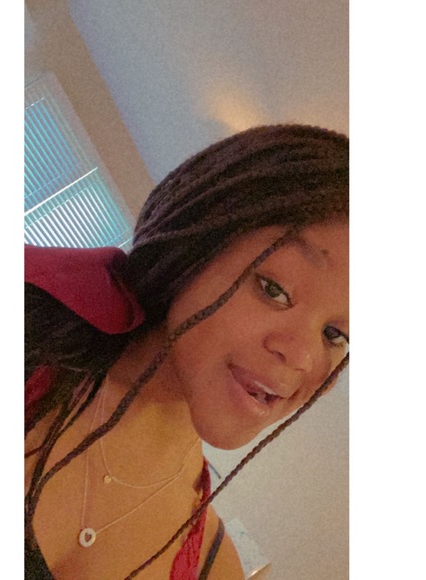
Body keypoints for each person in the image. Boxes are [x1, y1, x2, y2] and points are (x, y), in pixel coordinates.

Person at [24, 124, 349, 579]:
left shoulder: (210, 567)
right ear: (193, 246)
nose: (302, 356)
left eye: (335, 335)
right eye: (274, 290)